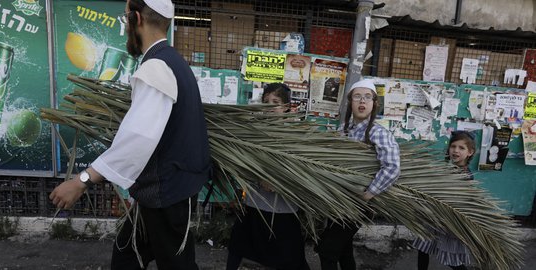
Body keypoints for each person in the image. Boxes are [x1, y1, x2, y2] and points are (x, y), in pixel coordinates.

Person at [49, 0, 211, 269]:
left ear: (136, 19)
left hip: (166, 194)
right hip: (162, 191)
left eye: (125, 21)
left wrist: (82, 180)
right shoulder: (173, 62)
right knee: (127, 253)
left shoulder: (156, 68)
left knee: (175, 264)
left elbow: (138, 138)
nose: (125, 29)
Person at [315, 79, 400, 270]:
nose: (362, 101)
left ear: (374, 103)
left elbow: (392, 167)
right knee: (343, 250)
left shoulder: (379, 133)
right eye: (357, 97)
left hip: (359, 204)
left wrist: (369, 193)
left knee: (327, 251)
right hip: (340, 201)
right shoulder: (343, 131)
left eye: (367, 97)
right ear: (350, 101)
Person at [226, 83, 310, 270]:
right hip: (254, 205)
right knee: (238, 250)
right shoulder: (254, 133)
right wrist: (256, 178)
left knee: (288, 259)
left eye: (276, 102)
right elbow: (243, 165)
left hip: (283, 211)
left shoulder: (297, 136)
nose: (270, 106)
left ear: (287, 106)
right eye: (266, 102)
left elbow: (304, 172)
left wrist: (279, 182)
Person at [412, 130, 475, 270]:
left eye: (461, 148)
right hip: (433, 218)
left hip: (448, 223)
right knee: (423, 249)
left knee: (451, 260)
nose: (455, 151)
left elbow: (463, 202)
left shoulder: (466, 176)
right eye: (453, 146)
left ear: (470, 152)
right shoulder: (447, 168)